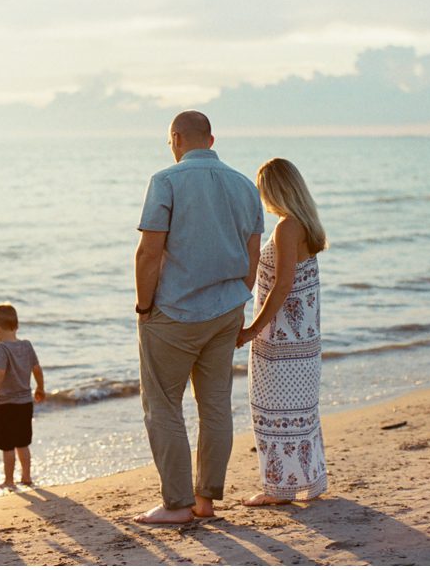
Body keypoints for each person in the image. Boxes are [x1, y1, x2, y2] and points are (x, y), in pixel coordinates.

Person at [134, 110, 264, 524]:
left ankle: (177, 504)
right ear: (210, 140)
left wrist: (143, 305)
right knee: (215, 406)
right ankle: (205, 501)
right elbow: (253, 254)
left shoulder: (166, 181)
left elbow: (149, 252)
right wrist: (240, 301)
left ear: (175, 138)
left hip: (174, 312)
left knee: (163, 405)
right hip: (227, 309)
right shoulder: (246, 185)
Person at [236, 157, 329, 506]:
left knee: (273, 414)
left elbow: (282, 286)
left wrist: (251, 329)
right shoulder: (306, 225)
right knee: (300, 415)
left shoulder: (286, 228)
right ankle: (304, 480)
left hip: (281, 342)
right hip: (303, 340)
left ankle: (278, 489)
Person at [0, 303, 46, 488]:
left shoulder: (0, 349)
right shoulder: (26, 345)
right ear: (16, 325)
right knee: (22, 444)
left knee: (7, 446)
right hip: (25, 403)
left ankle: (9, 481)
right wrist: (40, 388)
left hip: (5, 405)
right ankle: (26, 477)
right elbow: (37, 369)